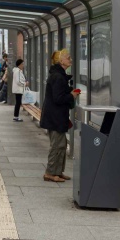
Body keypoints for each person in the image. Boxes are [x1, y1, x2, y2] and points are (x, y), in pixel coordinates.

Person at [40, 49, 80, 183]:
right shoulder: (57, 76)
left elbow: (59, 93)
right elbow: (58, 98)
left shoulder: (59, 75)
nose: (70, 60)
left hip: (56, 116)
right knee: (56, 145)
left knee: (62, 144)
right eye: (68, 58)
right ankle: (50, 172)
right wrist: (71, 95)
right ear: (61, 61)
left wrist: (69, 92)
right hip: (55, 117)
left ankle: (58, 171)